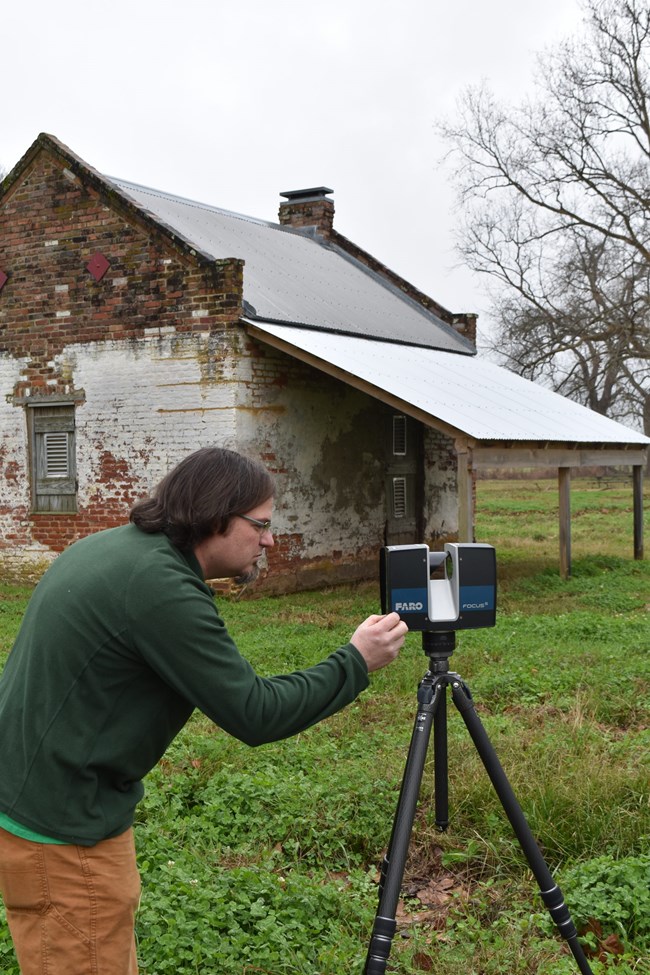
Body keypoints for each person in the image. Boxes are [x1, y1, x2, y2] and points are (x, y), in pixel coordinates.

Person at [0, 446, 407, 975]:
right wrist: (355, 661)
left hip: (46, 807)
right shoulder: (158, 587)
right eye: (259, 524)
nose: (269, 539)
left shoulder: (119, 550)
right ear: (215, 514)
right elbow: (255, 713)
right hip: (64, 834)